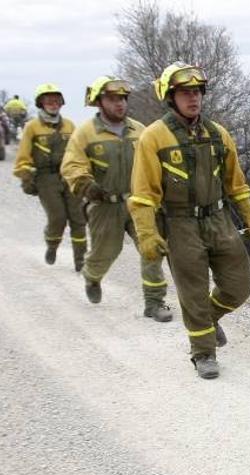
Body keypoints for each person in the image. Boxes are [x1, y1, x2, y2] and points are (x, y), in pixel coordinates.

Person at [128, 62, 250, 379]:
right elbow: (143, 194)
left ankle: (208, 320)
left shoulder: (218, 134)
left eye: (197, 91)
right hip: (179, 224)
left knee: (238, 287)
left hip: (218, 219)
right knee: (194, 292)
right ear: (170, 97)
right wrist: (147, 234)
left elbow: (236, 184)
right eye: (185, 92)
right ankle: (203, 352)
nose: (193, 98)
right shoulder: (154, 138)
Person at [61, 76, 172, 322]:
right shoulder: (85, 133)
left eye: (123, 98)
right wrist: (85, 184)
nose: (120, 104)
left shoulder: (140, 130)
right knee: (106, 252)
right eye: (113, 99)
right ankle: (92, 276)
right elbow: (71, 165)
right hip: (104, 205)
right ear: (99, 102)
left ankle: (154, 302)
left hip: (139, 203)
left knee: (151, 249)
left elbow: (157, 162)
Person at [12, 84, 87, 270]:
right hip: (46, 179)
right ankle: (52, 246)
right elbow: (23, 156)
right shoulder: (32, 127)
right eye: (48, 100)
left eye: (56, 100)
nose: (53, 104)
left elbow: (79, 151)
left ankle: (81, 261)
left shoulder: (69, 125)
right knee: (57, 218)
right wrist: (26, 178)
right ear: (41, 103)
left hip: (69, 177)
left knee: (78, 219)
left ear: (61, 103)